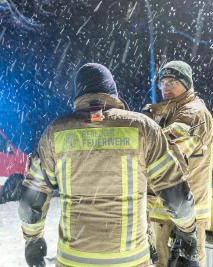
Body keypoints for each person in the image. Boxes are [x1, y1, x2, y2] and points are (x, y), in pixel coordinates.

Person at [18, 63, 200, 267]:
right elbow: (175, 194)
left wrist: (32, 240)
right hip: (130, 260)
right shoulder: (143, 129)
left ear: (79, 93)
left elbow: (30, 200)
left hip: (73, 260)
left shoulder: (55, 133)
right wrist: (188, 231)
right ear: (112, 91)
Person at [144, 60, 213, 267]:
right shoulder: (167, 112)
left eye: (172, 82)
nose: (166, 87)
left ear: (187, 83)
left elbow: (169, 151)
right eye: (163, 83)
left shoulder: (193, 113)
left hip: (187, 214)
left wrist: (141, 139)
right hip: (163, 211)